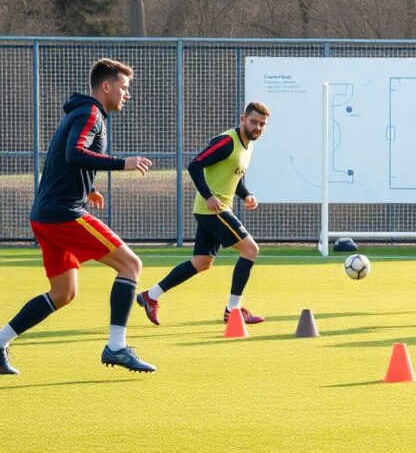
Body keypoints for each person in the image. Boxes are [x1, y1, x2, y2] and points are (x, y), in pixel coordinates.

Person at [0, 58, 156, 374]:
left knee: (63, 293)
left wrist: (91, 187)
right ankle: (116, 347)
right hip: (63, 213)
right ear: (106, 86)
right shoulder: (90, 113)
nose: (127, 95)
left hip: (47, 214)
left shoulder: (83, 112)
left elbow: (69, 158)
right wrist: (121, 163)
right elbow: (75, 153)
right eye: (124, 88)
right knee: (131, 265)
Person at [136, 102, 270, 325]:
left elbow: (233, 177)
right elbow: (195, 165)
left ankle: (151, 296)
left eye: (262, 124)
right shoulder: (227, 141)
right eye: (253, 121)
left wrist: (246, 194)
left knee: (202, 262)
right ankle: (233, 311)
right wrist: (209, 196)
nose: (257, 127)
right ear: (242, 119)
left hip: (214, 209)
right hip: (212, 210)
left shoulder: (249, 146)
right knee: (250, 249)